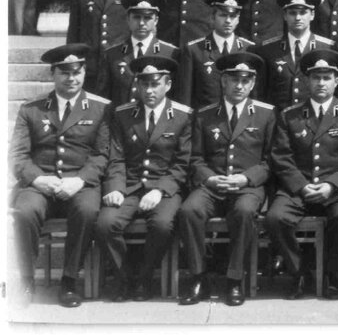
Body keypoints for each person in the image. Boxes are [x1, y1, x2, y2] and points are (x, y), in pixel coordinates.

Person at [9, 43, 111, 308]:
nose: (71, 78)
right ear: (52, 73)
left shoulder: (100, 108)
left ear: (84, 73)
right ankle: (26, 281)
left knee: (87, 210)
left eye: (77, 72)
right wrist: (38, 179)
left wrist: (79, 180)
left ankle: (69, 280)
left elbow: (102, 155)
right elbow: (17, 155)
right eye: (65, 72)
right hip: (40, 184)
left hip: (80, 184)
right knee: (24, 211)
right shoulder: (32, 109)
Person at [266, 49, 338, 300]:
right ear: (306, 81)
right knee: (275, 218)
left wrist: (332, 185)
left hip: (337, 188)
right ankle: (299, 272)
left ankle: (331, 273)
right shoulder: (290, 115)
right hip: (298, 187)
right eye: (316, 78)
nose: (321, 83)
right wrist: (301, 186)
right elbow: (281, 157)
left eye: (327, 77)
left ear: (337, 81)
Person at [177, 52, 276, 307]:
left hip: (247, 187)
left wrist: (246, 178)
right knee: (189, 210)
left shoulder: (265, 114)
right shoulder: (205, 114)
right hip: (213, 186)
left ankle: (234, 279)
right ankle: (198, 277)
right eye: (234, 80)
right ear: (223, 81)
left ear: (253, 83)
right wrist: (210, 179)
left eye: (245, 80)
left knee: (244, 212)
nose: (239, 86)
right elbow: (195, 158)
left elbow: (270, 160)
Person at [96, 56, 192, 301]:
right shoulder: (123, 114)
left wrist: (160, 190)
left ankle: (144, 277)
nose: (149, 90)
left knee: (162, 225)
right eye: (144, 84)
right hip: (129, 185)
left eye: (155, 84)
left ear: (168, 85)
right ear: (137, 85)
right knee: (106, 224)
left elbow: (182, 163)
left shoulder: (182, 116)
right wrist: (115, 187)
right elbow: (116, 157)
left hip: (164, 189)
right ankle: (124, 277)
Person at [255, 0, 338, 110]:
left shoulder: (327, 48)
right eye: (292, 13)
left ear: (312, 15)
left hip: (312, 117)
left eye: (303, 12)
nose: (298, 18)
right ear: (285, 15)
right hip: (278, 117)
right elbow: (261, 92)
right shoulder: (269, 49)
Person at [177, 0, 255, 108]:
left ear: (238, 19)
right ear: (212, 17)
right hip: (204, 117)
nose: (228, 21)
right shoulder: (194, 50)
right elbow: (185, 98)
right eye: (223, 15)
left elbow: (254, 97)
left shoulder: (249, 49)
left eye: (233, 16)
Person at [98, 0, 178, 104]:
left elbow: (175, 96)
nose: (141, 23)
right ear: (128, 19)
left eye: (147, 18)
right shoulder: (112, 55)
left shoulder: (170, 53)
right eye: (136, 17)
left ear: (156, 20)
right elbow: (103, 98)